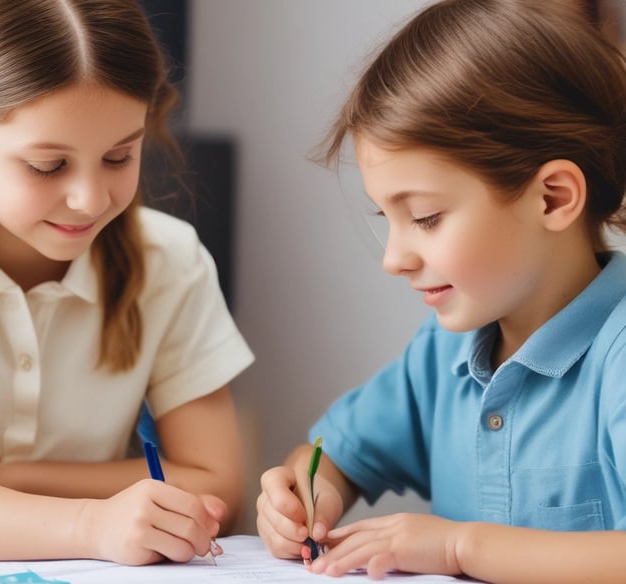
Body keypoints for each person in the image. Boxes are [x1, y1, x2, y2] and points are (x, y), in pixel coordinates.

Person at [0, 0, 254, 565]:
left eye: (119, 156)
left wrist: (8, 478)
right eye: (48, 166)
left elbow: (218, 491)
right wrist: (93, 522)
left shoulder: (171, 259)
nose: (91, 199)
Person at [256, 0, 626, 582]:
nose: (393, 259)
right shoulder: (444, 351)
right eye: (387, 218)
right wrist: (306, 494)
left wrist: (459, 549)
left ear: (553, 197)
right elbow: (333, 457)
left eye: (425, 217)